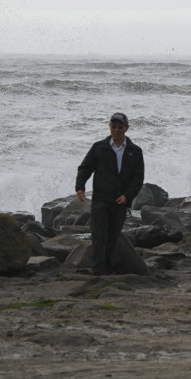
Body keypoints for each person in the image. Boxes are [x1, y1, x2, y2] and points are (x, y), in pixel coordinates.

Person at [75, 112, 145, 276]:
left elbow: (138, 178)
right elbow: (85, 167)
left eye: (120, 127)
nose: (116, 130)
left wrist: (127, 195)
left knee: (113, 237)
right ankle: (99, 272)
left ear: (126, 128)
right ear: (109, 128)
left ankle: (110, 267)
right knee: (99, 235)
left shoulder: (135, 151)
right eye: (113, 127)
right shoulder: (99, 147)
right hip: (100, 199)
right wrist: (80, 186)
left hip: (120, 201)